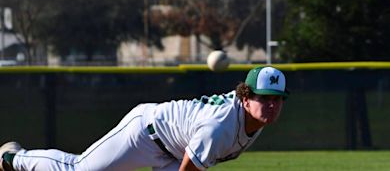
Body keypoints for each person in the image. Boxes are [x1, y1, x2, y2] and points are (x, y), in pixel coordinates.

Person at [0, 66, 289, 171]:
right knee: (79, 169)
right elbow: (189, 169)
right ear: (245, 97)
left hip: (175, 149)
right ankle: (13, 159)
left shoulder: (254, 119)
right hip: (145, 133)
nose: (271, 105)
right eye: (264, 98)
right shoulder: (221, 126)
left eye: (276, 99)